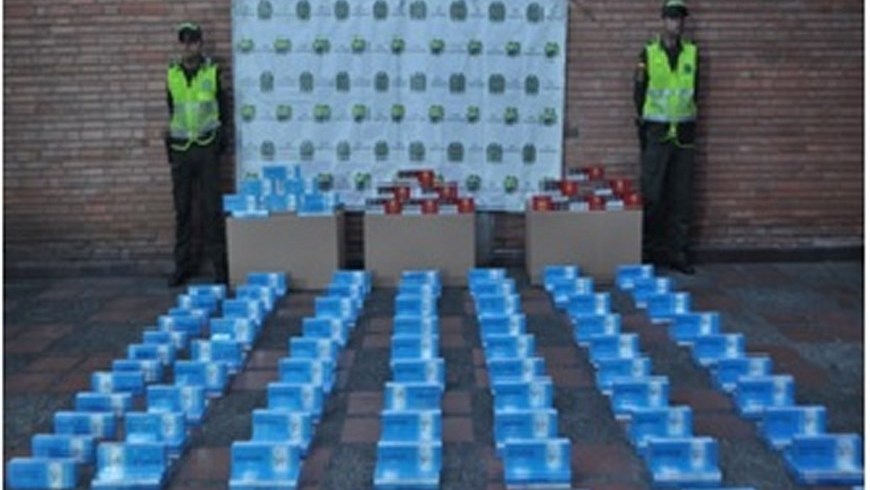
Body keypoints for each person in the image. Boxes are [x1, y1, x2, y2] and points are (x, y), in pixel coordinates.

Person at [634, 0, 698, 275]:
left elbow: (694, 92)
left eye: (680, 19)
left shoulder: (692, 53)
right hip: (657, 135)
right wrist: (646, 129)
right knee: (653, 197)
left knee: (681, 199)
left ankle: (677, 254)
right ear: (663, 21)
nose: (676, 24)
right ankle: (648, 252)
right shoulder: (648, 53)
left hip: (683, 137)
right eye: (672, 18)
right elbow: (638, 93)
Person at [165, 22, 229, 286]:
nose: (188, 46)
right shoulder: (172, 74)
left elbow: (223, 110)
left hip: (206, 148)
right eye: (184, 42)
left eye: (192, 41)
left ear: (200, 44)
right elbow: (173, 110)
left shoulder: (212, 72)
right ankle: (183, 267)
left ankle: (220, 269)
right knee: (183, 211)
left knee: (211, 210)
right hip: (181, 150)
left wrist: (217, 145)